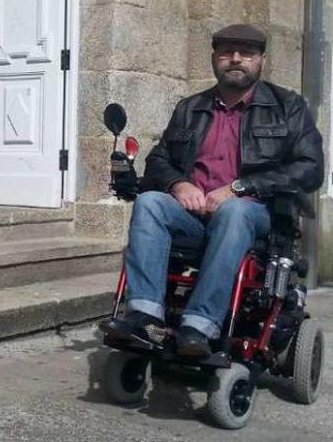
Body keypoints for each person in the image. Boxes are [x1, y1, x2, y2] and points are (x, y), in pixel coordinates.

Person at [101, 24, 325, 357]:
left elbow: (310, 169)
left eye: (245, 53)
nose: (235, 59)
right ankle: (145, 316)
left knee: (234, 211)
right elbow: (159, 160)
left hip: (257, 214)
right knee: (149, 202)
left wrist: (240, 188)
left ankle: (199, 325)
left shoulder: (287, 106)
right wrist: (179, 184)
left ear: (261, 60)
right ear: (214, 59)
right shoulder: (190, 108)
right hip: (194, 214)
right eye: (226, 53)